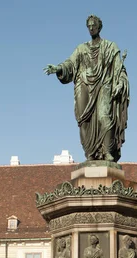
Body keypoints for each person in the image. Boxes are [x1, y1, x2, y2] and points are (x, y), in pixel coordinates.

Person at [44, 14, 129, 162]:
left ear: (99, 27)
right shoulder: (81, 49)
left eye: (94, 25)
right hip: (83, 84)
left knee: (104, 117)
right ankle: (90, 153)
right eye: (89, 26)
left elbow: (119, 69)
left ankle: (107, 151)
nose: (91, 28)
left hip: (104, 85)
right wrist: (58, 68)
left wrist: (121, 82)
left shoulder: (110, 47)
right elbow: (70, 64)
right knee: (83, 121)